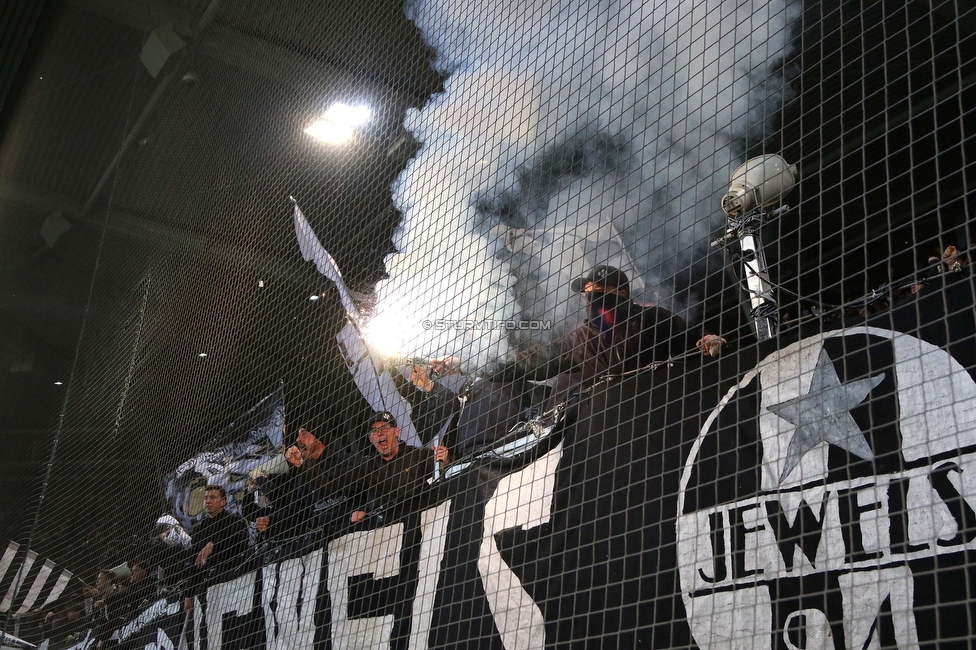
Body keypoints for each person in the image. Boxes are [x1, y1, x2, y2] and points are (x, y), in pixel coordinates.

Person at [450, 265, 724, 383]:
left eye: (601, 291)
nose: (592, 297)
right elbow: (528, 364)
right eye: (589, 292)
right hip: (612, 425)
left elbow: (696, 338)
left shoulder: (653, 319)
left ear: (623, 295)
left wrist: (711, 340)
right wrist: (469, 364)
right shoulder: (577, 340)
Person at [349, 411, 449, 524]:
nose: (380, 433)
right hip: (384, 528)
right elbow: (349, 493)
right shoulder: (365, 466)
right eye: (374, 431)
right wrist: (354, 512)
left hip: (421, 521)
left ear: (397, 432)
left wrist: (444, 460)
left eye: (385, 427)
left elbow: (444, 475)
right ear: (370, 438)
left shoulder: (418, 455)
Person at [183, 485, 249, 611]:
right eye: (206, 498)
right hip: (210, 589)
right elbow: (195, 562)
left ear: (223, 502)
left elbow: (240, 544)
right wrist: (189, 594)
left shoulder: (235, 521)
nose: (208, 501)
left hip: (233, 582)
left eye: (212, 497)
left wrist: (214, 545)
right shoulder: (199, 529)